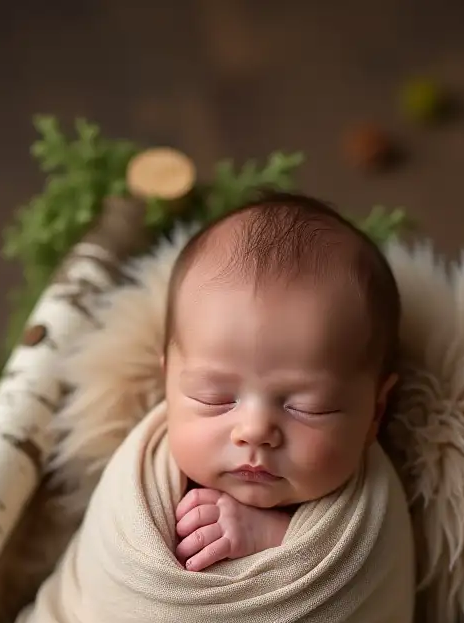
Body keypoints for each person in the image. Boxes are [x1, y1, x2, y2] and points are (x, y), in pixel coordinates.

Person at [161, 191, 403, 571]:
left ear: (376, 411)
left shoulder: (369, 507)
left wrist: (273, 537)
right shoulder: (144, 471)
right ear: (167, 383)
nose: (254, 431)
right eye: (215, 397)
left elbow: (372, 574)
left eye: (308, 407)